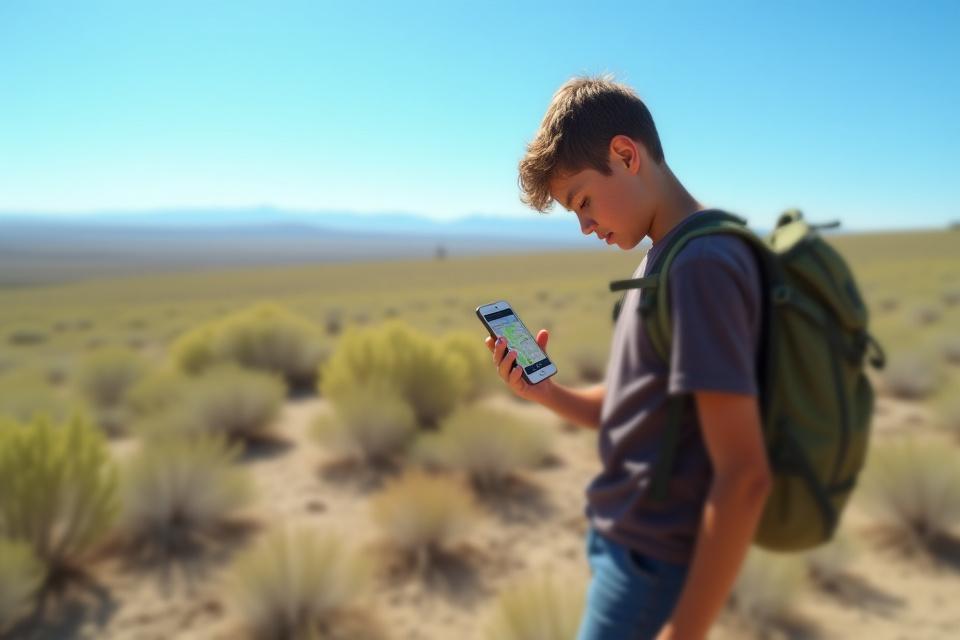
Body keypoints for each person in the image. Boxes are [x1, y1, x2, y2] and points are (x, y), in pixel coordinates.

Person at [484, 75, 773, 640]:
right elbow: (636, 410)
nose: (585, 226)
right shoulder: (664, 255)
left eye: (584, 201)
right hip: (628, 551)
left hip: (653, 566)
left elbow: (744, 475)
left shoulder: (700, 266)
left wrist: (683, 632)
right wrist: (545, 392)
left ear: (625, 154)